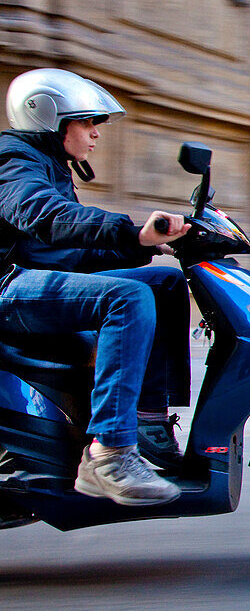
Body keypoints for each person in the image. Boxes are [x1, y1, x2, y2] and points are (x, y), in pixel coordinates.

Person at [0, 68, 191, 505]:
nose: (95, 134)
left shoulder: (49, 164)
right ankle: (108, 453)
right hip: (6, 288)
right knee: (126, 297)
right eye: (87, 122)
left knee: (163, 281)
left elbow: (67, 255)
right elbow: (43, 216)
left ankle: (147, 422)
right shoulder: (12, 160)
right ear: (48, 118)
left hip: (30, 278)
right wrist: (129, 233)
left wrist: (146, 248)